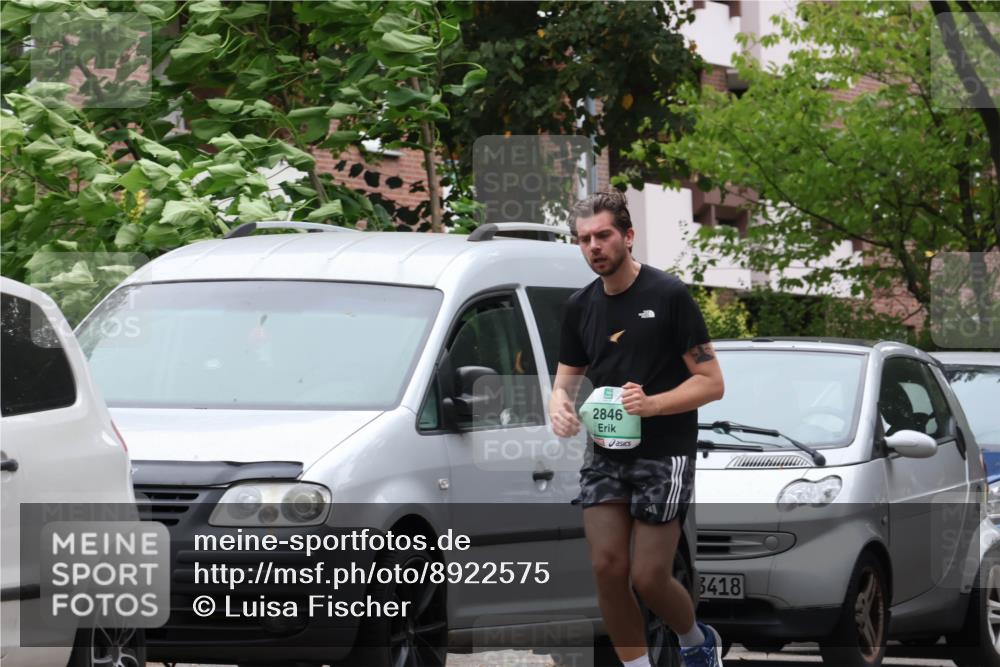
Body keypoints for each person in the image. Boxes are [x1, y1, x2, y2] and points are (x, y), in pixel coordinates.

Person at [549, 192, 726, 667]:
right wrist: (559, 407)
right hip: (605, 453)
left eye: (603, 235)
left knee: (649, 577)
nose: (594, 246)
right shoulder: (579, 306)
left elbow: (711, 383)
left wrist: (652, 405)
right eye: (584, 239)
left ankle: (696, 640)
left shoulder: (668, 296)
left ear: (628, 236)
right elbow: (564, 383)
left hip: (664, 454)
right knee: (607, 568)